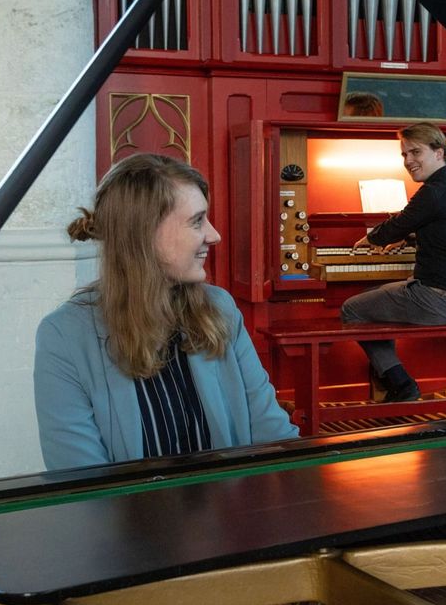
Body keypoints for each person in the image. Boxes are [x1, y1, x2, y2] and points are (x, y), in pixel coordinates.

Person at [34, 153, 299, 470]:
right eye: (197, 221)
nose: (214, 236)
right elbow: (80, 487)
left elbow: (275, 437)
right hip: (129, 519)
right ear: (145, 234)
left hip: (233, 514)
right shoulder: (64, 336)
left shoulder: (221, 309)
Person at [340, 123, 446, 402]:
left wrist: (373, 239)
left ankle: (400, 384)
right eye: (404, 154)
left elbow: (397, 225)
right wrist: (410, 240)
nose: (408, 161)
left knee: (352, 309)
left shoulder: (432, 192)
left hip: (439, 301)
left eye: (415, 152)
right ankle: (392, 381)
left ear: (439, 152)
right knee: (378, 297)